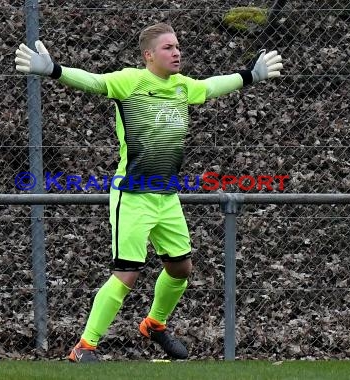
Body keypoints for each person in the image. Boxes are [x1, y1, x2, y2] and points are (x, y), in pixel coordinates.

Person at [14, 22, 283, 362]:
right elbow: (94, 81)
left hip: (167, 196)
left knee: (181, 269)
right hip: (133, 195)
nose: (176, 52)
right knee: (126, 273)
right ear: (149, 55)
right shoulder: (131, 81)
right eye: (168, 47)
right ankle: (85, 347)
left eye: (177, 46)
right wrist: (53, 70)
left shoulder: (182, 87)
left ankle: (154, 325)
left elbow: (211, 86)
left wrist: (250, 75)